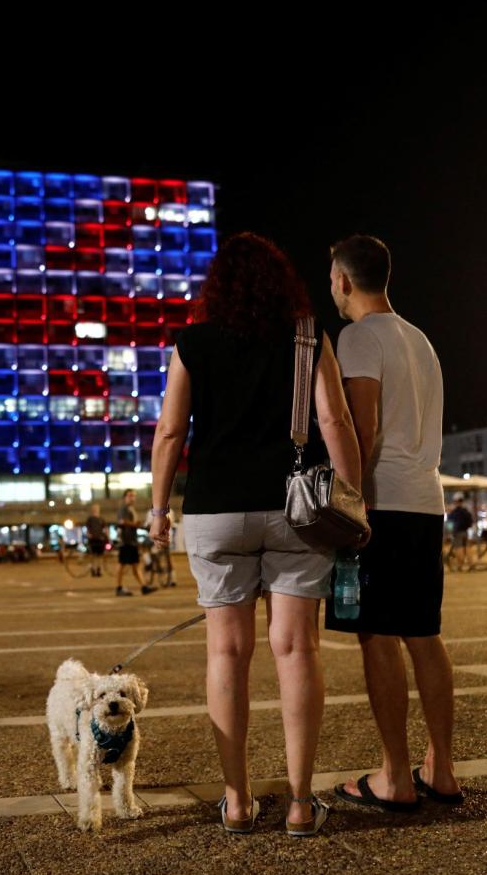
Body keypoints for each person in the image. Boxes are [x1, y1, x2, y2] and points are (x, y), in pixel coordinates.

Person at [149, 232, 362, 837]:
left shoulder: (192, 342)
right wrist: (352, 502)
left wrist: (159, 507)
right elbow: (334, 419)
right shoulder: (305, 334)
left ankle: (237, 800)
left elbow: (170, 432)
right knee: (296, 651)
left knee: (227, 652)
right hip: (294, 507)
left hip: (215, 510)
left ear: (217, 286)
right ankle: (298, 803)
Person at [325, 234, 463, 812]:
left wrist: (348, 504)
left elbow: (363, 428)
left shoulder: (358, 337)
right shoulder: (421, 340)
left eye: (332, 276)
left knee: (377, 635)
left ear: (344, 282)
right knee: (424, 636)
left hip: (381, 502)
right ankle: (444, 770)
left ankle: (394, 776)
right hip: (426, 500)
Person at [115, 490, 151, 596]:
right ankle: (119, 588)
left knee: (135, 565)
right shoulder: (124, 508)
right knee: (122, 565)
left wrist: (139, 526)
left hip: (131, 541)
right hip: (126, 541)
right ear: (125, 497)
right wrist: (135, 524)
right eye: (130, 496)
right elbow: (121, 521)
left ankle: (144, 586)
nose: (132, 498)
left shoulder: (131, 509)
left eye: (134, 496)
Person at [446, 494, 474, 567]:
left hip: (457, 532)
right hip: (465, 531)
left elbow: (449, 523)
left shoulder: (454, 512)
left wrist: (449, 532)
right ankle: (471, 563)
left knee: (459, 548)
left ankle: (460, 564)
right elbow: (471, 521)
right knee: (467, 547)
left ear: (456, 502)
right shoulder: (466, 511)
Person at [84, 503, 108, 577]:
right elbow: (87, 529)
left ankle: (98, 569)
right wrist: (89, 535)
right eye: (94, 508)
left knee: (100, 556)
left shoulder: (101, 519)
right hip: (93, 540)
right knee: (93, 556)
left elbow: (105, 528)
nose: (96, 510)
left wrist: (106, 536)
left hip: (100, 539)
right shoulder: (90, 519)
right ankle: (93, 569)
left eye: (97, 508)